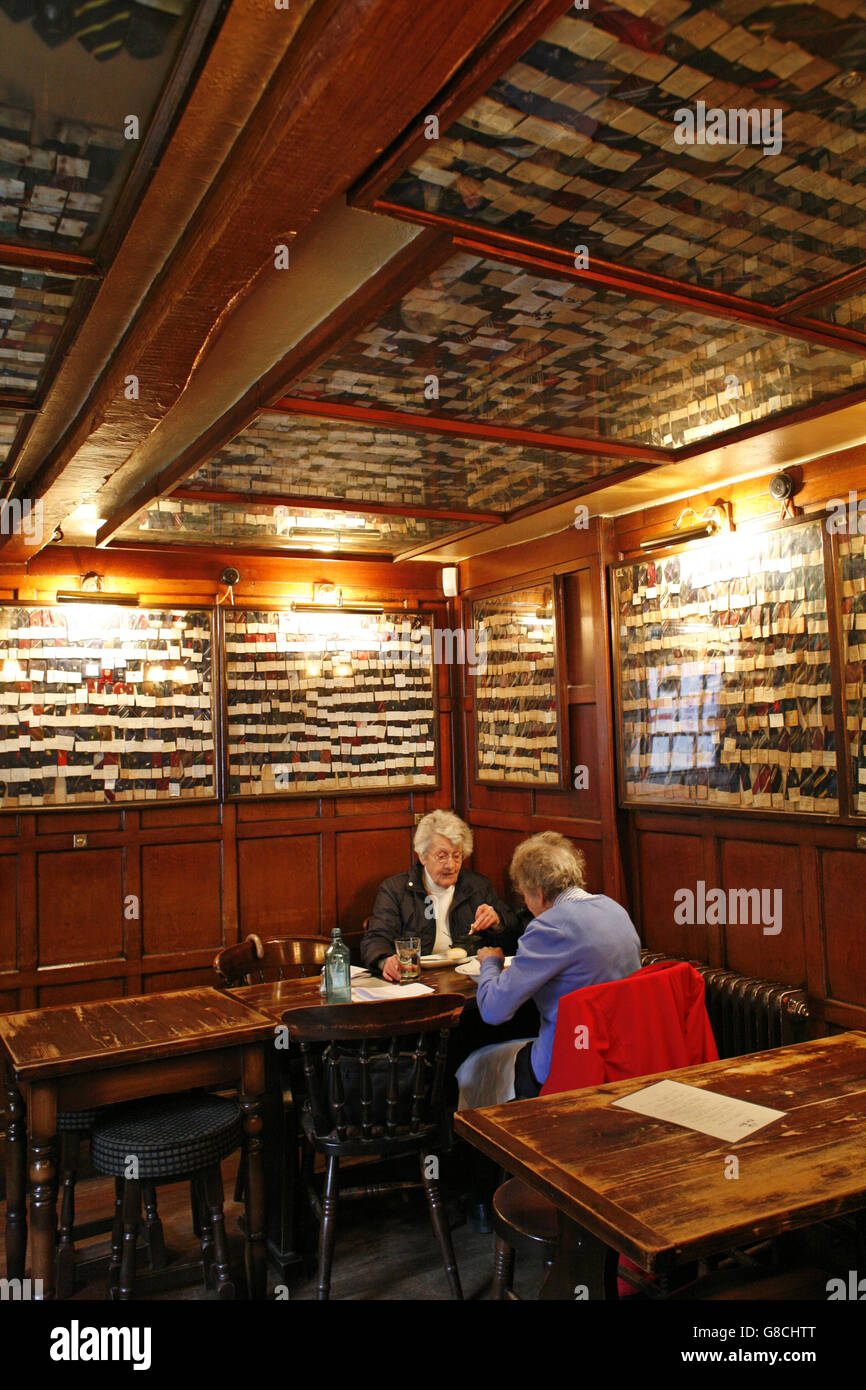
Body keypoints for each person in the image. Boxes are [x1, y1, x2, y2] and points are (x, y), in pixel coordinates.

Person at [457, 830, 641, 1107]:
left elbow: (494, 1010)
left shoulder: (549, 927)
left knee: (477, 1063)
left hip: (568, 1060)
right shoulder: (615, 909)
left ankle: (488, 1145)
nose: (528, 907)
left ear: (539, 895)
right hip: (624, 1055)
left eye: (525, 899)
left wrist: (491, 962)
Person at [361, 809, 523, 981]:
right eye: (442, 856)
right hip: (416, 979)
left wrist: (497, 921)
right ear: (423, 856)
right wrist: (385, 961)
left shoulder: (477, 886)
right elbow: (376, 939)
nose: (451, 865)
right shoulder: (396, 890)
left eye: (457, 856)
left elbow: (513, 937)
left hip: (468, 979)